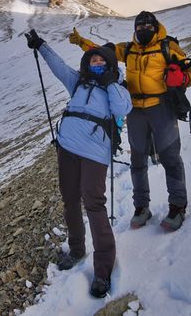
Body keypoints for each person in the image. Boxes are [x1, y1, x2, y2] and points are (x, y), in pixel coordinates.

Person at [25, 29, 132, 298]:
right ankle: (76, 250)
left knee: (94, 204)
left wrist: (109, 83)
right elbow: (58, 66)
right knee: (70, 199)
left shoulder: (118, 88)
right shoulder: (78, 82)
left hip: (95, 153)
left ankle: (103, 269)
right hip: (67, 147)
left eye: (101, 61)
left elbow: (122, 110)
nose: (97, 64)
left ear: (110, 64)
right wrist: (41, 45)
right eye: (93, 60)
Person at [68, 11, 191, 231]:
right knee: (137, 159)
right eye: (139, 27)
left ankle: (177, 206)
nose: (143, 30)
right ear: (135, 29)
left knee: (170, 157)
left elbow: (189, 74)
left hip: (162, 107)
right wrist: (81, 42)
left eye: (147, 26)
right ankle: (141, 207)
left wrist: (181, 77)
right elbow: (101, 53)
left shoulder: (168, 47)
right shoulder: (128, 49)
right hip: (135, 109)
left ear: (155, 27)